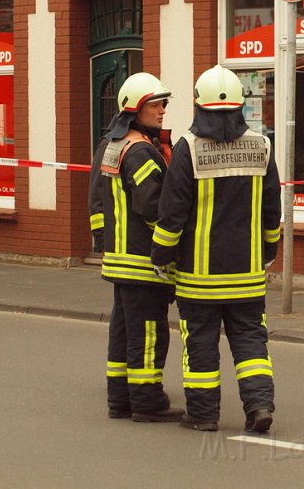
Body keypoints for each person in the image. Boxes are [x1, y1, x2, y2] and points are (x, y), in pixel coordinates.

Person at [151, 65, 282, 433]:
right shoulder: (262, 145)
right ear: (241, 104)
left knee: (201, 346)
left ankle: (204, 415)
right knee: (251, 343)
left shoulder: (186, 149)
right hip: (248, 273)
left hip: (199, 278)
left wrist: (161, 258)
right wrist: (268, 250)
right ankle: (258, 407)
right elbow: (272, 210)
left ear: (198, 105)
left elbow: (172, 214)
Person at [88, 72, 183, 423]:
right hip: (142, 260)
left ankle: (120, 398)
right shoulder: (141, 151)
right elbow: (152, 207)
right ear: (136, 109)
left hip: (119, 258)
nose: (162, 111)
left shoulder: (113, 145)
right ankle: (146, 400)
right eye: (156, 105)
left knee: (124, 329)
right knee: (148, 332)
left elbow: (96, 199)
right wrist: (171, 245)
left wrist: (103, 243)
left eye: (163, 104)